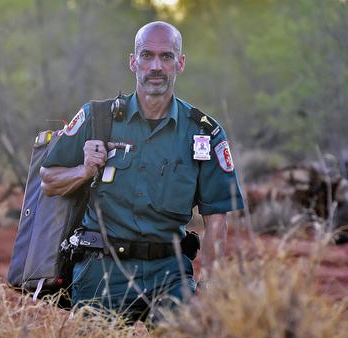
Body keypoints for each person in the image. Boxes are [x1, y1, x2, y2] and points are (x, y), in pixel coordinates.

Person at [40, 21, 244, 322]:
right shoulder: (96, 118)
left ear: (181, 63)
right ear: (133, 61)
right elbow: (48, 180)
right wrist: (84, 171)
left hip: (170, 275)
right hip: (101, 273)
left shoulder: (204, 133)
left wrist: (209, 287)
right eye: (147, 56)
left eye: (167, 56)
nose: (156, 67)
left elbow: (216, 221)